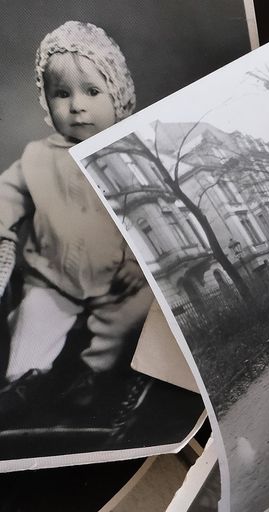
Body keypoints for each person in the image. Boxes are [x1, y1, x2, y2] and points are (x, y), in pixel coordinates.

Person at [0, 22, 148, 422]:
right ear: (46, 100)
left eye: (92, 92)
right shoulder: (38, 156)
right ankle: (25, 383)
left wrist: (138, 263)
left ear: (117, 96)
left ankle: (92, 377)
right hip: (51, 277)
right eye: (62, 94)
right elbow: (7, 193)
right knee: (33, 318)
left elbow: (146, 217)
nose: (77, 106)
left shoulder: (128, 157)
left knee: (129, 315)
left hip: (116, 281)